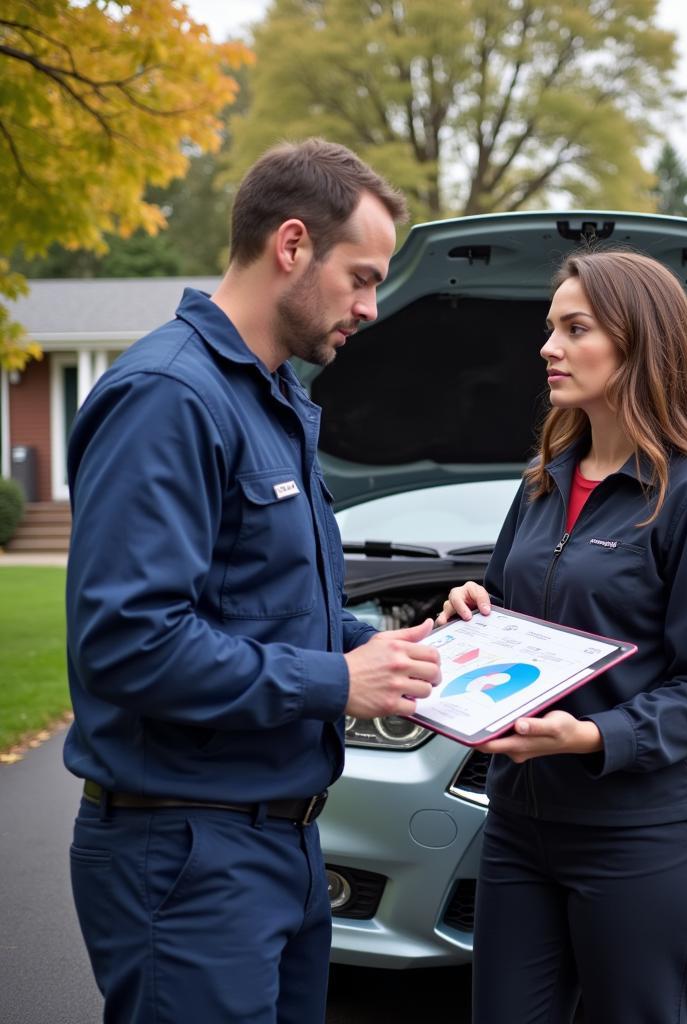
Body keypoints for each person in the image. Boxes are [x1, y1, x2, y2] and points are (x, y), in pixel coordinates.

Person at [63, 138, 442, 1023]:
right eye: (361, 277)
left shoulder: (270, 399)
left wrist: (383, 652)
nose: (371, 307)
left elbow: (262, 608)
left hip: (282, 844)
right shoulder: (170, 396)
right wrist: (337, 681)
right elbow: (130, 642)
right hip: (187, 852)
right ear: (293, 245)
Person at [436, 250, 687, 1024]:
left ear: (641, 344)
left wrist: (591, 736)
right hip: (518, 821)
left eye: (576, 329)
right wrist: (476, 607)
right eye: (551, 328)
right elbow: (517, 623)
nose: (548, 347)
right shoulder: (543, 478)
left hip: (638, 837)